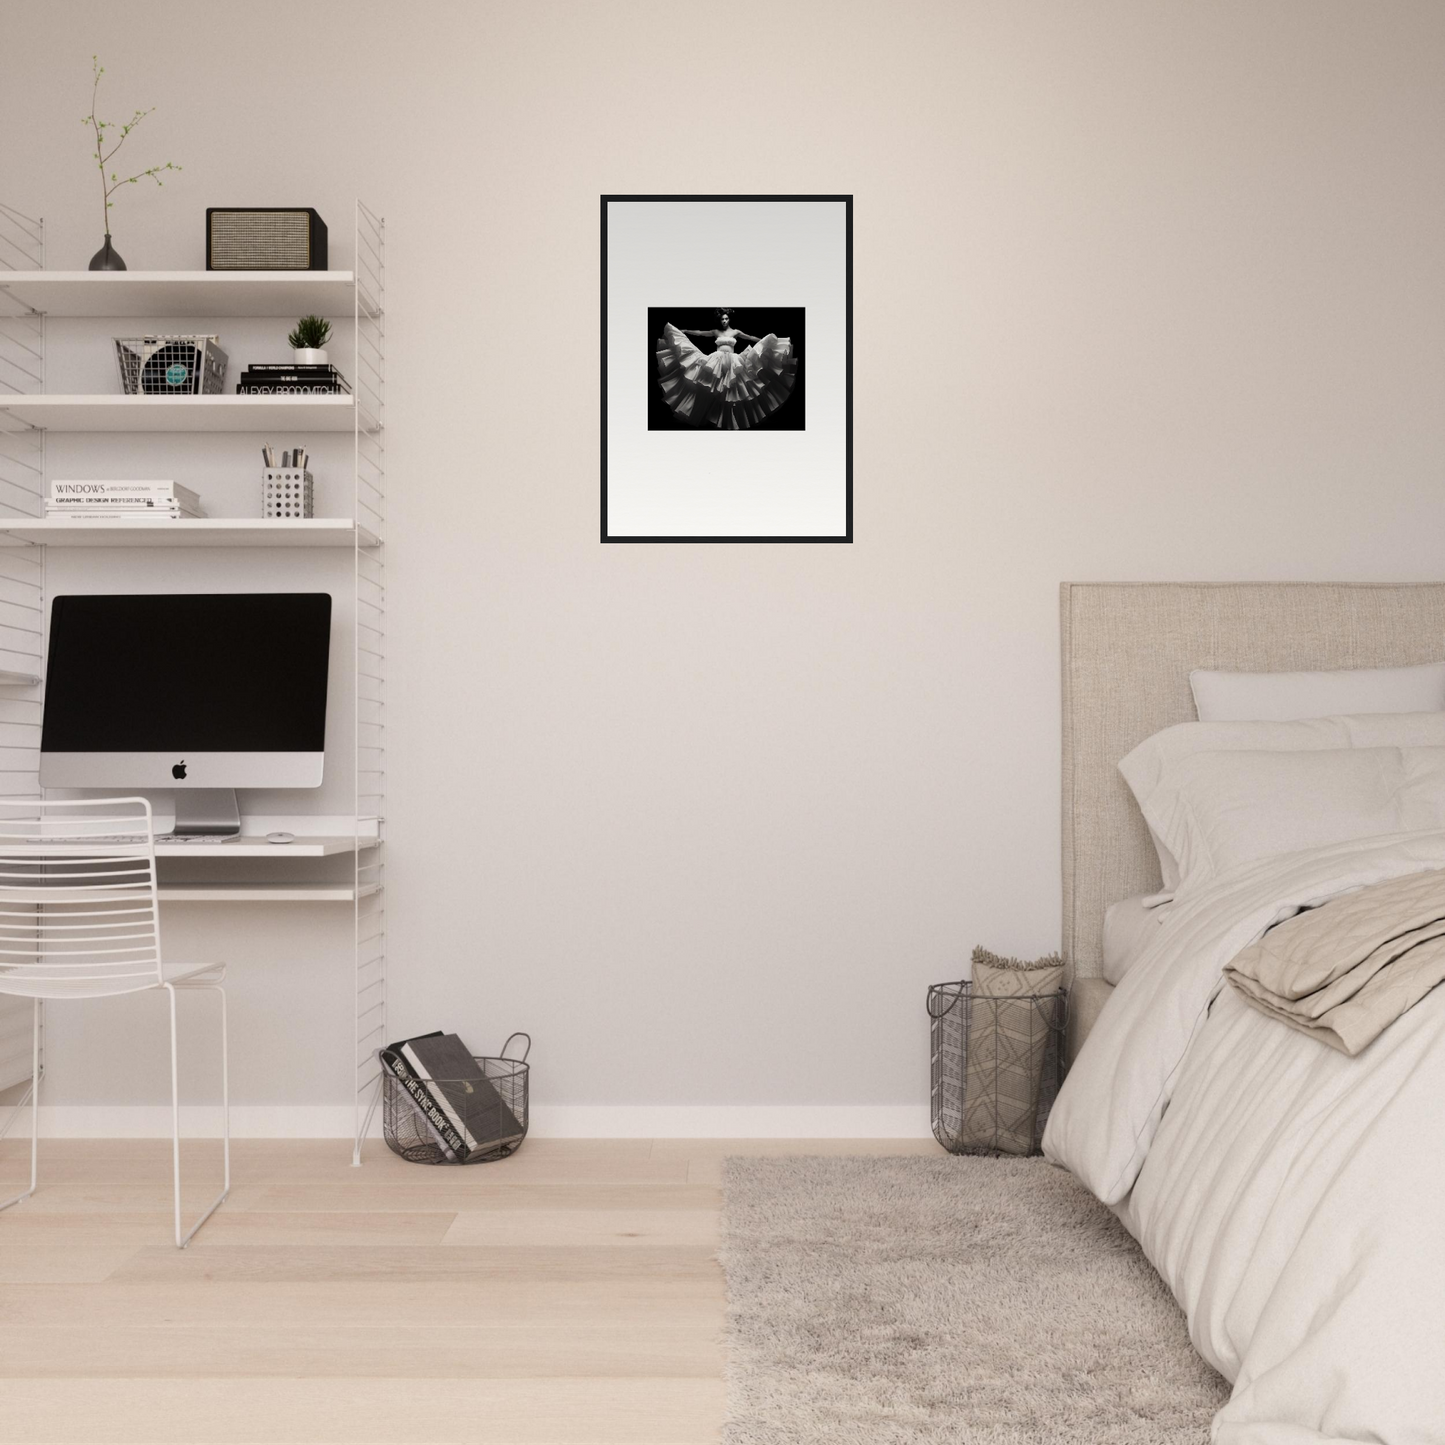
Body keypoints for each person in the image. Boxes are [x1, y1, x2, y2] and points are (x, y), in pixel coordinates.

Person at [654, 309, 797, 429]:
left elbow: (750, 337)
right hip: (716, 359)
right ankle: (713, 417)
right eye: (722, 319)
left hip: (733, 360)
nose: (724, 321)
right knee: (714, 387)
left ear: (729, 319)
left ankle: (729, 420)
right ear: (719, 320)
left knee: (732, 388)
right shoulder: (716, 331)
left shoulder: (735, 332)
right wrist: (685, 331)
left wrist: (763, 340)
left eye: (726, 318)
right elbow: (700, 333)